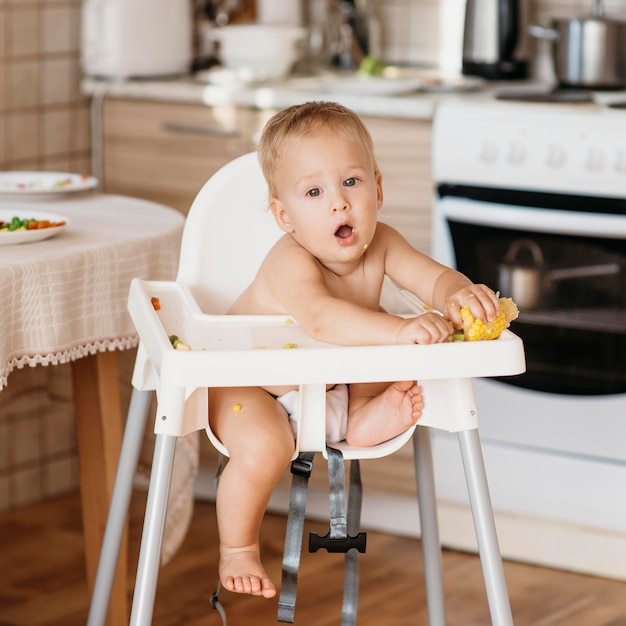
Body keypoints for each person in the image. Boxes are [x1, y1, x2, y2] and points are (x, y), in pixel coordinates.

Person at [209, 101, 501, 599]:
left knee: (379, 343)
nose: (338, 205)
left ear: (379, 189)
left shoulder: (383, 243)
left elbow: (431, 277)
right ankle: (237, 549)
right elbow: (322, 318)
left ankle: (360, 416)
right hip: (249, 386)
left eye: (351, 183)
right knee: (267, 444)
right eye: (314, 192)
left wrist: (455, 293)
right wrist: (397, 331)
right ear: (285, 216)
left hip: (327, 388)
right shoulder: (289, 259)